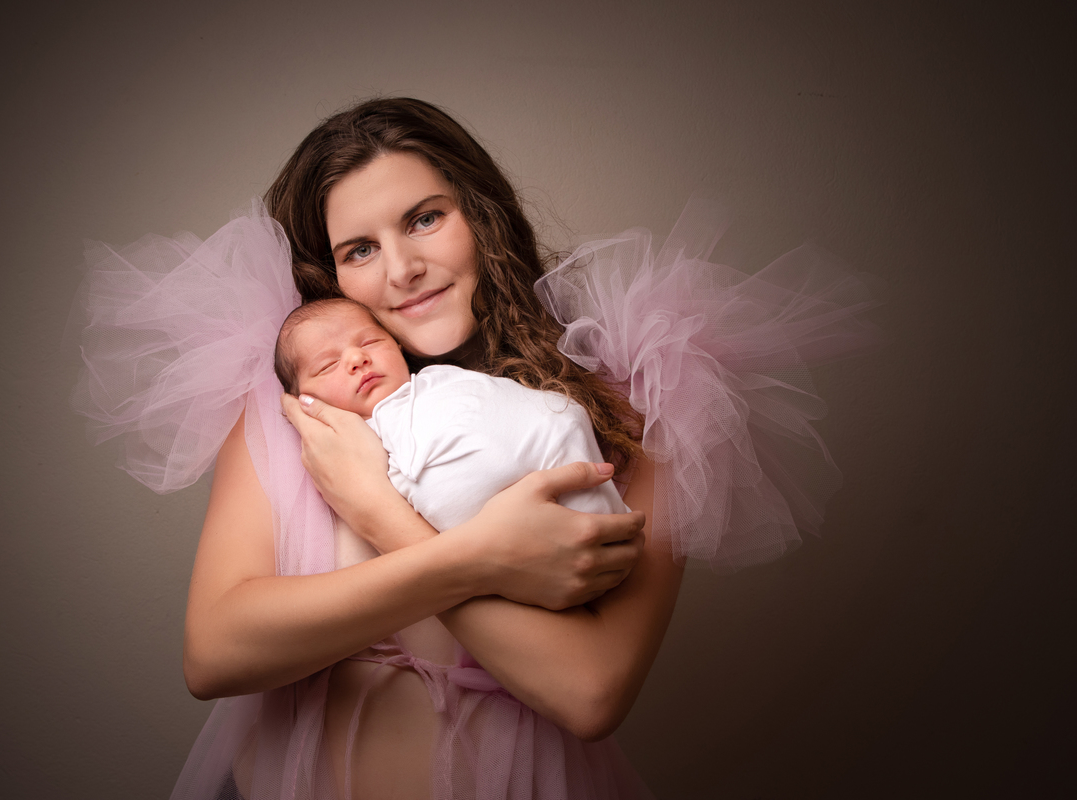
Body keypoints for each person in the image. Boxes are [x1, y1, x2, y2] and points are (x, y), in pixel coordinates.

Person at [71, 97, 880, 800]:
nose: (403, 269)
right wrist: (482, 558)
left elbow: (591, 693)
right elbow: (213, 655)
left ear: (481, 216)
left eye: (425, 218)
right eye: (360, 249)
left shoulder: (637, 404)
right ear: (330, 272)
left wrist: (382, 514)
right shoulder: (301, 407)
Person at [273, 296, 628, 544]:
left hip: (554, 458)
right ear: (304, 400)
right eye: (328, 365)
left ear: (398, 345)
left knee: (564, 421)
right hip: (487, 540)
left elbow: (523, 412)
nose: (356, 358)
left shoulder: (441, 381)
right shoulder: (347, 449)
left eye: (370, 342)